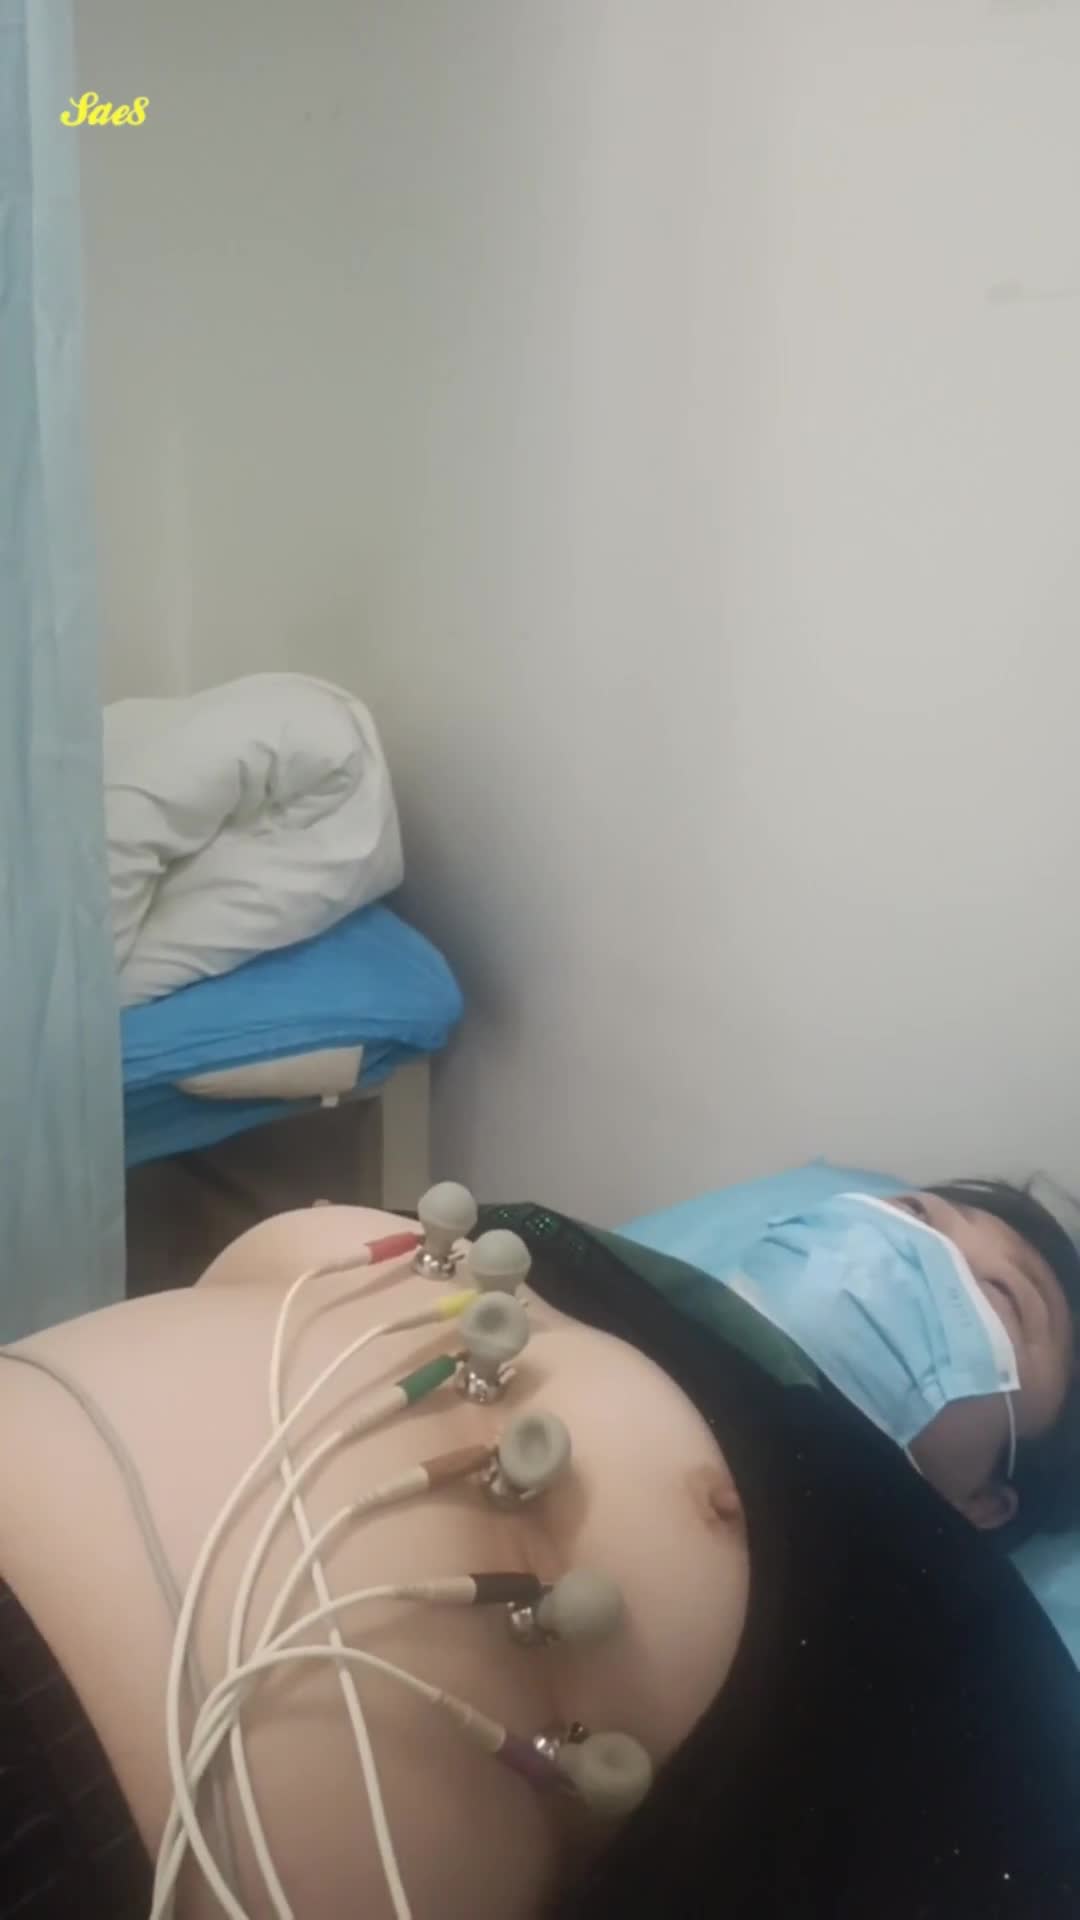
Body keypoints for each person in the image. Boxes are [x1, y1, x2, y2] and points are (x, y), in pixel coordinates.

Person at [0, 1187, 1075, 1919]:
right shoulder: (547, 1246)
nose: (912, 1254)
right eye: (911, 1214)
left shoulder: (945, 1632)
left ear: (990, 1503)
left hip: (86, 1837)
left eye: (1001, 1297)